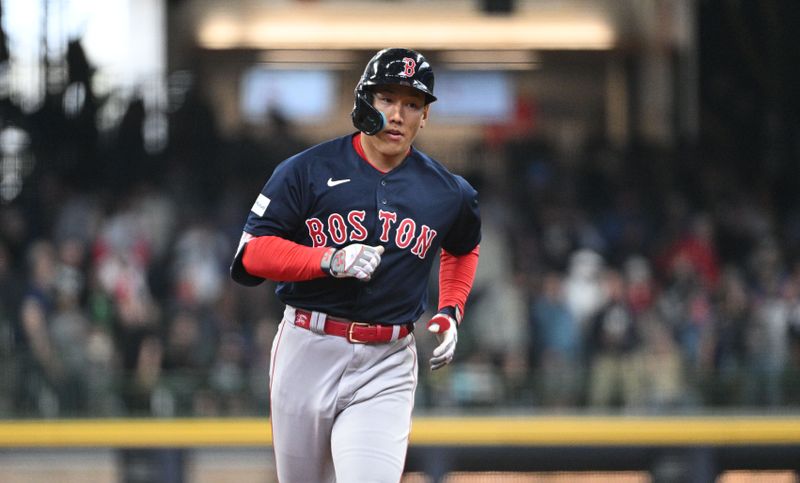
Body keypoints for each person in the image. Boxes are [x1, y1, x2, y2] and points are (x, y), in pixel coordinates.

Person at [230, 48, 481, 482]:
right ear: (363, 101)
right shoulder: (306, 170)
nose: (398, 114)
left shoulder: (448, 192)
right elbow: (252, 254)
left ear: (425, 117)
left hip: (388, 359)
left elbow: (463, 248)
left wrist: (451, 308)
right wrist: (327, 259)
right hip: (308, 346)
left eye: (412, 104)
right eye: (387, 98)